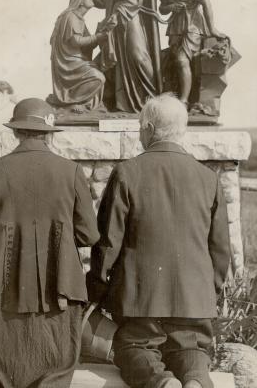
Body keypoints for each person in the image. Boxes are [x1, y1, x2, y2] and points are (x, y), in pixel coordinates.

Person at [87, 93, 230, 388]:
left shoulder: (127, 173)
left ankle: (162, 383)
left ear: (149, 130)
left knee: (134, 348)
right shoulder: (209, 178)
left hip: (142, 301)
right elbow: (220, 251)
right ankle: (195, 380)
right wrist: (206, 292)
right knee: (192, 349)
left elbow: (107, 245)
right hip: (195, 300)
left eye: (141, 126)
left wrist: (97, 292)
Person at [0, 98, 100, 388]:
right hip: (60, 290)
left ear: (16, 132)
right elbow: (89, 234)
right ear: (49, 133)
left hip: (2, 289)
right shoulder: (72, 171)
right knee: (56, 360)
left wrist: (1, 247)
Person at [91, 0, 162, 113]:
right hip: (118, 20)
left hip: (131, 16)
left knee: (139, 55)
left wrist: (117, 13)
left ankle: (151, 99)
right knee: (122, 62)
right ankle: (125, 104)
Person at [156, 0, 224, 106]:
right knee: (176, 62)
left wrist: (212, 28)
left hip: (194, 24)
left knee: (182, 60)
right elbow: (162, 8)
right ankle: (183, 97)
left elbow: (206, 3)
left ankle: (184, 101)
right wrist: (171, 7)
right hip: (175, 26)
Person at [49, 0, 107, 114]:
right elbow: (76, 41)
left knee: (102, 70)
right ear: (80, 2)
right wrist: (98, 36)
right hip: (68, 63)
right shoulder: (71, 16)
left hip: (75, 59)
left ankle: (84, 103)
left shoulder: (78, 18)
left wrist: (100, 32)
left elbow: (88, 45)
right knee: (98, 77)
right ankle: (73, 102)